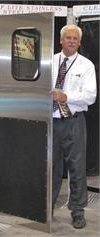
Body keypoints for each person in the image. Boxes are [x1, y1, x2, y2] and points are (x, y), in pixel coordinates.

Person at [50, 24, 97, 229]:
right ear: (60, 40)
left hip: (74, 123)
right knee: (49, 169)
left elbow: (90, 96)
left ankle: (77, 212)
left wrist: (66, 96)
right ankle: (46, 209)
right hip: (50, 122)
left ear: (79, 42)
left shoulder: (86, 66)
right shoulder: (49, 62)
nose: (71, 41)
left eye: (74, 38)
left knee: (76, 169)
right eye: (67, 37)